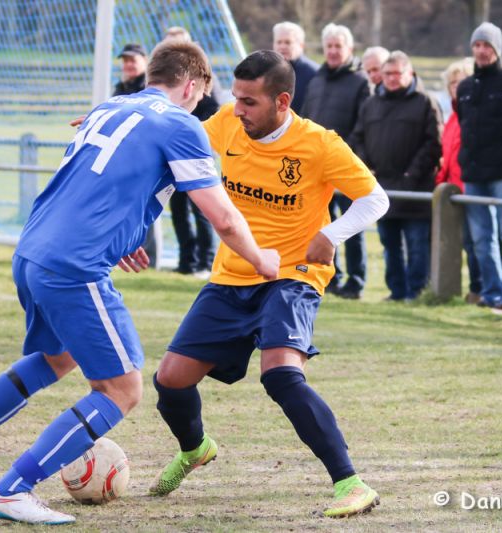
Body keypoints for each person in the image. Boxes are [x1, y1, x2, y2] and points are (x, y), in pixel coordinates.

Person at [0, 41, 280, 525]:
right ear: (192, 85)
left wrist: (120, 234)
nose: (197, 107)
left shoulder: (110, 106)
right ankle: (12, 488)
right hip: (73, 266)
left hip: (33, 251)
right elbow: (224, 218)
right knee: (121, 389)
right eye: (200, 98)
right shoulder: (180, 123)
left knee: (58, 357)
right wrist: (261, 259)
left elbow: (97, 178)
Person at [148, 50, 388, 518]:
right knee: (170, 381)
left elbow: (374, 199)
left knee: (280, 374)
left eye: (249, 102)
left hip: (293, 275)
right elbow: (172, 141)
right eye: (235, 98)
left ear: (282, 101)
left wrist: (331, 234)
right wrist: (119, 124)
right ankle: (195, 449)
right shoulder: (227, 123)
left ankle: (351, 483)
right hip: (231, 275)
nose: (237, 109)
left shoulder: (319, 144)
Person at [351, 51, 442, 301]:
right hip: (382, 188)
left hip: (416, 189)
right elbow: (358, 138)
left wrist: (412, 173)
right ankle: (396, 291)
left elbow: (433, 143)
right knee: (389, 245)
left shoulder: (425, 102)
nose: (392, 78)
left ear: (409, 73)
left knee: (417, 245)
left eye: (397, 73)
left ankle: (416, 291)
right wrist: (366, 168)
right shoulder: (371, 104)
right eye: (387, 73)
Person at [457, 22, 502, 317]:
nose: (481, 51)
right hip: (474, 173)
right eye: (477, 45)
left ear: (497, 49)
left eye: (487, 45)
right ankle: (491, 292)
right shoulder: (465, 87)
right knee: (482, 239)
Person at [302, 23, 370, 299]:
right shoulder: (317, 79)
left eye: (338, 46)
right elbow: (306, 119)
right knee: (321, 222)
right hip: (315, 167)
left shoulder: (360, 81)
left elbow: (364, 124)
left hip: (345, 164)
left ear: (349, 49)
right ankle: (329, 275)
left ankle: (355, 281)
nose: (332, 51)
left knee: (351, 225)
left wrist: (345, 155)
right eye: (328, 46)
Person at [162, 26, 219, 276]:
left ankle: (206, 261)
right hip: (171, 157)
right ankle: (186, 261)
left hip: (194, 155)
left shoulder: (202, 76)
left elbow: (213, 110)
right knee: (178, 211)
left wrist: (190, 133)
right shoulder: (163, 81)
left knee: (203, 208)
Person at [435, 58, 481, 304]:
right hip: (453, 189)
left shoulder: (472, 115)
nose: (457, 87)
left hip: (469, 187)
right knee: (465, 243)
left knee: (477, 242)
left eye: (461, 82)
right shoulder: (452, 117)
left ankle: (479, 288)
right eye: (452, 83)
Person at [272, 21, 319, 114]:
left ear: (301, 45)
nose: (282, 46)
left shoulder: (314, 73)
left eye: (288, 42)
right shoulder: (267, 70)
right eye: (279, 42)